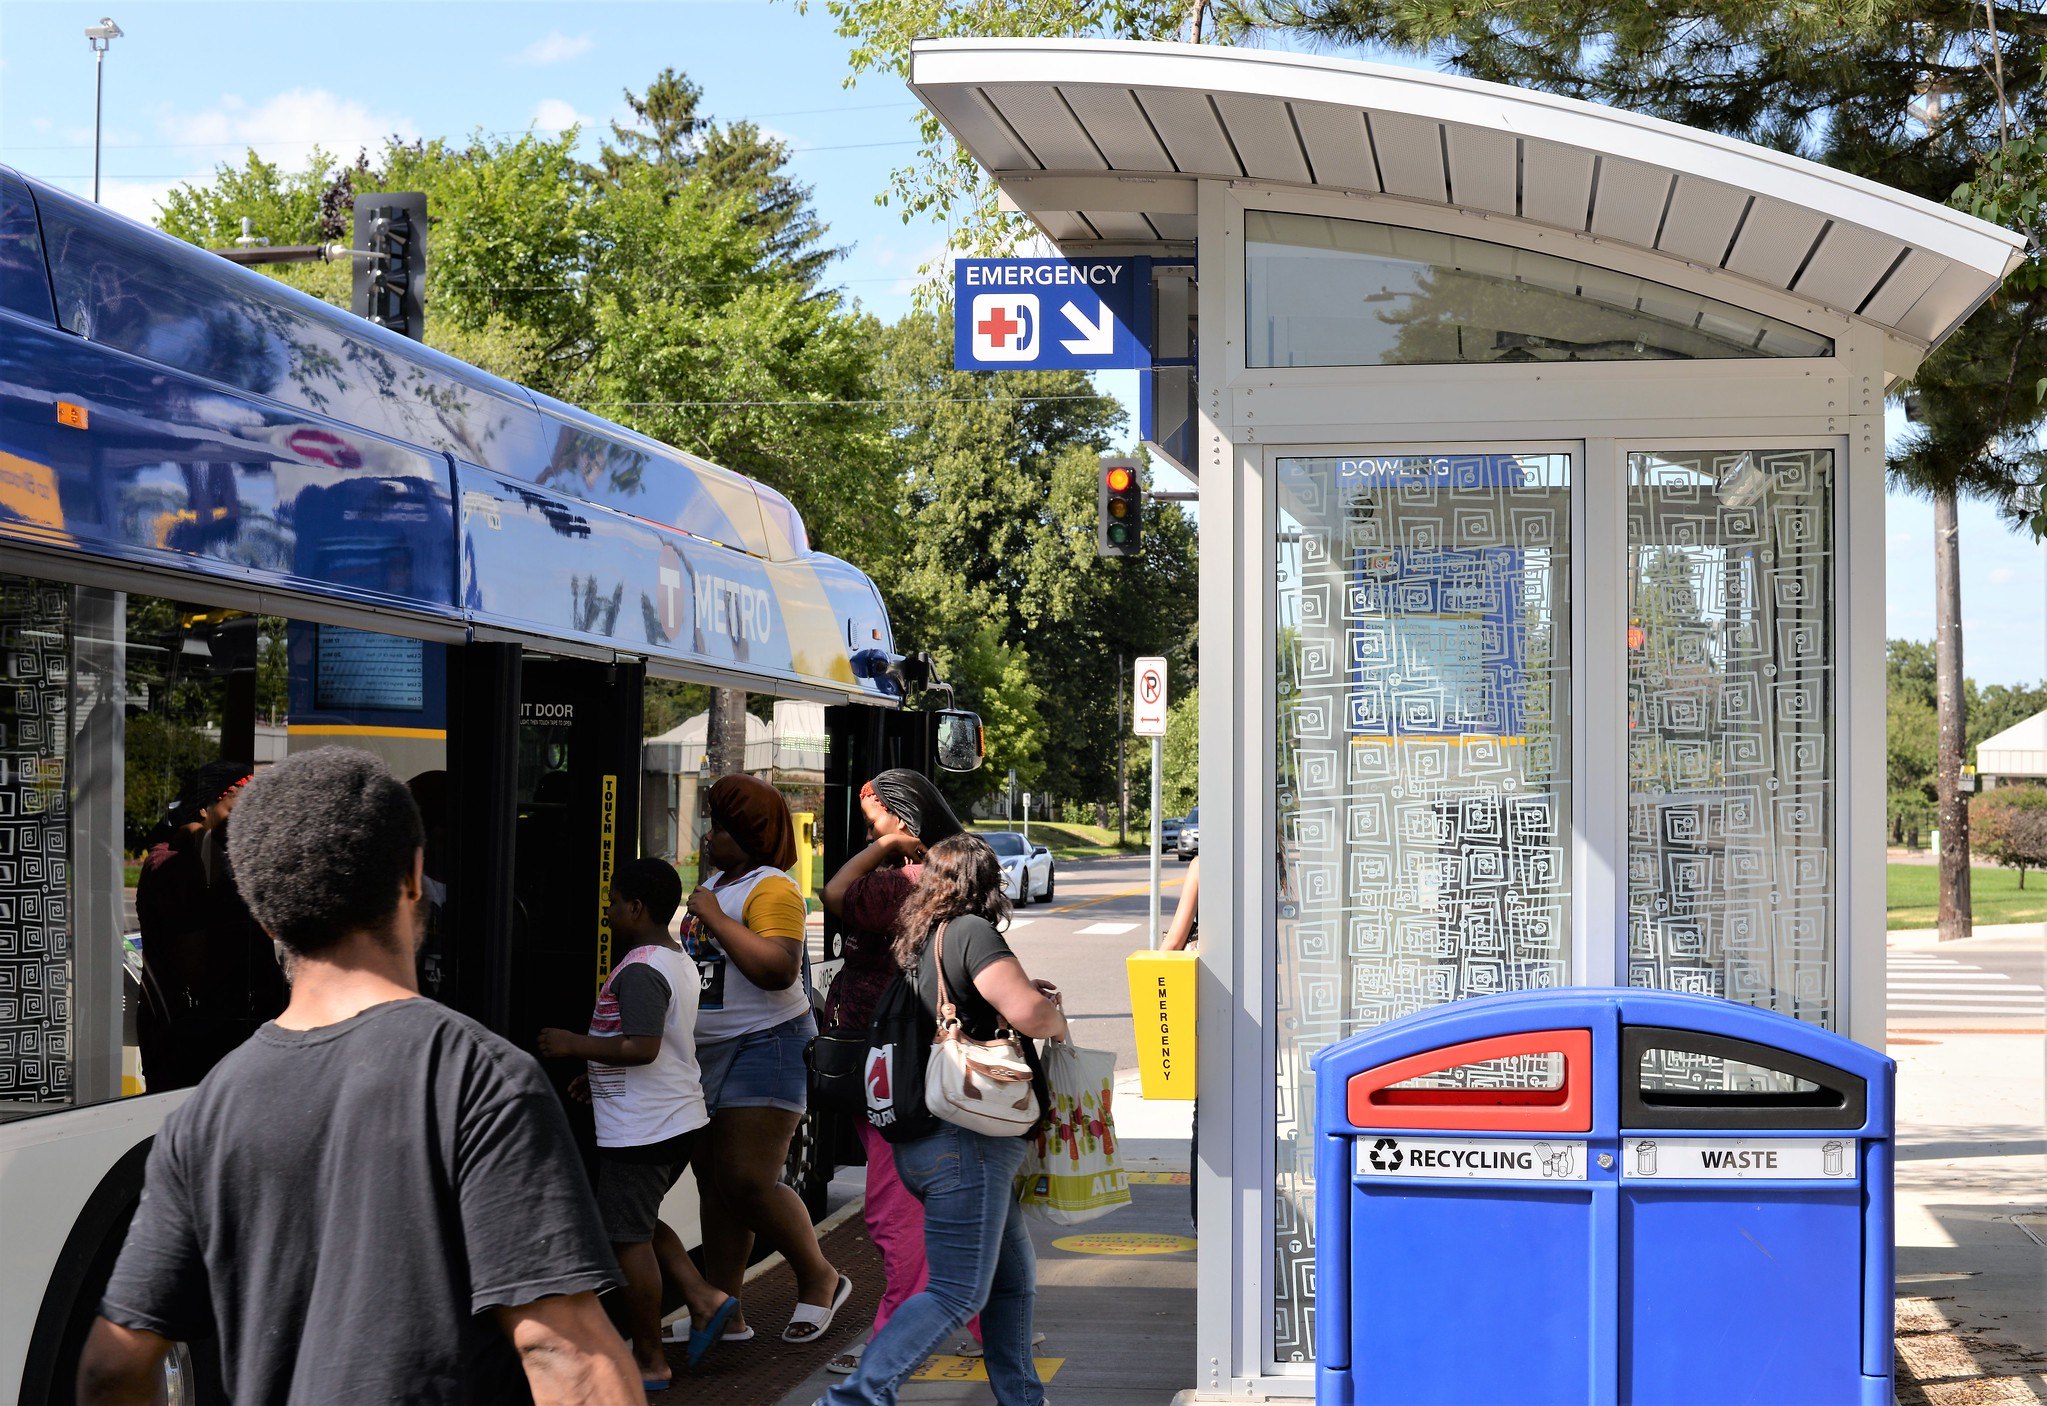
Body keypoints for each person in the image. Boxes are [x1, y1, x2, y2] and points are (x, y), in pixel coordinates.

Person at [77, 747, 640, 1406]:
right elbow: (565, 1355)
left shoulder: (208, 1110)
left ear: (263, 915)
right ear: (413, 877)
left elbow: (111, 1369)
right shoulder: (481, 1081)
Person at [822, 834, 1070, 1406]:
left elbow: (969, 999)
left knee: (1010, 1283)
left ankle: (1023, 1398)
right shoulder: (971, 931)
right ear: (987, 885)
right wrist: (1051, 1016)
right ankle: (855, 1398)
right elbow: (1030, 1016)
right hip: (968, 1144)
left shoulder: (921, 940)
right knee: (957, 1292)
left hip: (931, 1143)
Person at [538, 856, 741, 1392]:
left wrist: (573, 1046)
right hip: (666, 1117)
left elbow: (644, 1046)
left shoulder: (642, 970)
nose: (606, 912)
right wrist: (596, 1072)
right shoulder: (670, 958)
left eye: (611, 902)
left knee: (626, 1238)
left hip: (645, 1127)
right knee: (640, 1221)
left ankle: (650, 1359)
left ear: (635, 907)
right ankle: (703, 1298)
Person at [818, 770, 980, 1375]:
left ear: (904, 819)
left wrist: (886, 847)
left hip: (887, 1057)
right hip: (932, 1056)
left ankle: (892, 1334)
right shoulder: (955, 874)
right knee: (960, 1197)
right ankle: (986, 1319)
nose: (868, 835)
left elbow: (834, 895)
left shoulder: (900, 883)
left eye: (873, 823)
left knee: (893, 1204)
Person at [686, 773, 850, 1344]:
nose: (711, 836)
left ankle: (819, 1277)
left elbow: (778, 968)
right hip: (707, 1050)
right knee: (715, 1183)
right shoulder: (717, 883)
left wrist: (713, 917)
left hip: (768, 1042)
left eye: (724, 827)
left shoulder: (771, 887)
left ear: (752, 832)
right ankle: (724, 1310)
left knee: (748, 1179)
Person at [134, 759, 285, 1091]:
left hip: (215, 1033)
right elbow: (195, 964)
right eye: (238, 806)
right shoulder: (177, 865)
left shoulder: (217, 857)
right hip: (196, 1040)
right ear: (205, 808)